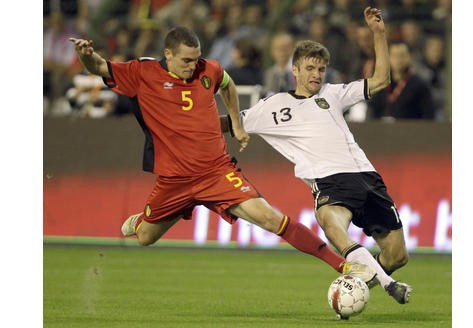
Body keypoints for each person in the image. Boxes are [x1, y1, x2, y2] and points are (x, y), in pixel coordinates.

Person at [69, 27, 375, 284]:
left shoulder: (209, 69)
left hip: (216, 172)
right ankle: (146, 218)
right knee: (146, 237)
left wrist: (238, 126)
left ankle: (344, 266)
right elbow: (98, 67)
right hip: (175, 179)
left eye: (196, 58)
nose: (193, 65)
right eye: (186, 60)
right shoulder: (142, 73)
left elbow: (227, 84)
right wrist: (85, 53)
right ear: (168, 55)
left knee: (271, 218)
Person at [222, 7, 412, 304]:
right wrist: (188, 127)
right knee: (332, 225)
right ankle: (387, 284)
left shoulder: (334, 93)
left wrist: (379, 34)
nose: (316, 75)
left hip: (367, 177)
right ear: (294, 70)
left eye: (321, 69)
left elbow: (381, 79)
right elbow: (231, 121)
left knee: (398, 255)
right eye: (310, 69)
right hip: (329, 181)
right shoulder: (274, 106)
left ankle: (352, 287)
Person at [368, 41, 435, 120]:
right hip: (382, 130)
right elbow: (372, 111)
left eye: (402, 56)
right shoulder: (380, 83)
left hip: (410, 130)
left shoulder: (420, 85)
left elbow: (428, 116)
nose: (398, 60)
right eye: (394, 56)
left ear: (409, 57)